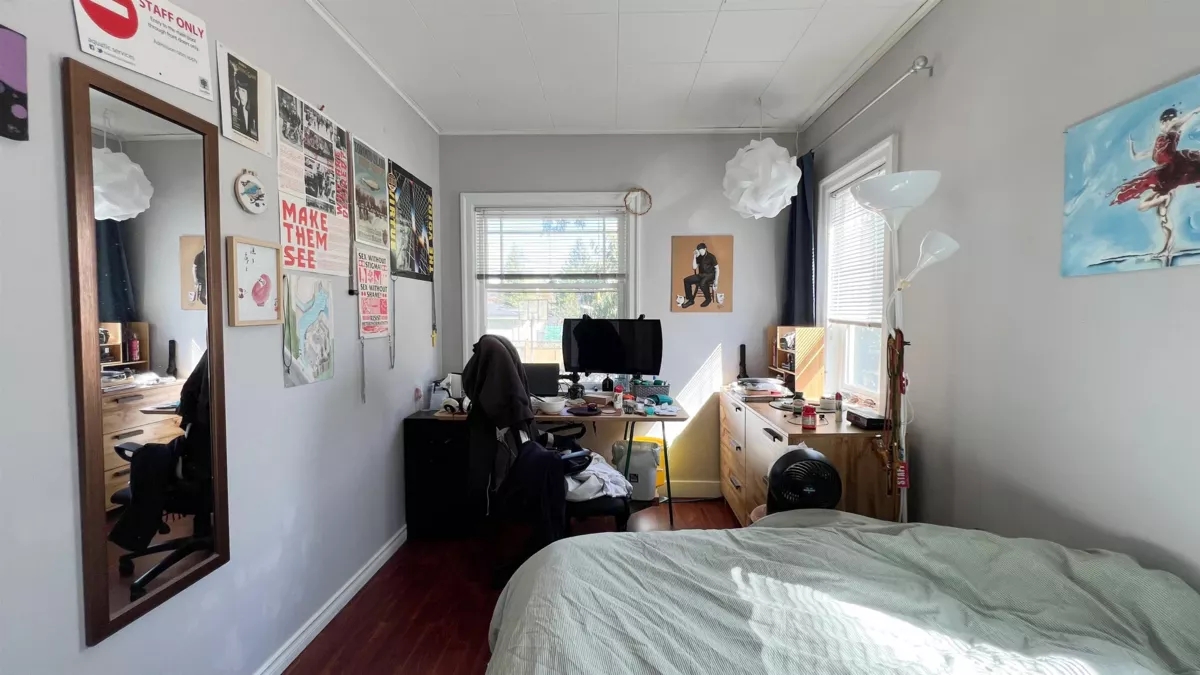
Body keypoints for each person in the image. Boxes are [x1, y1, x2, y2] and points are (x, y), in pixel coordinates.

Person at [1111, 106, 1200, 261]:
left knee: (1142, 205)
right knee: (1163, 216)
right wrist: (1131, 146)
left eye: (1167, 121)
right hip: (1167, 177)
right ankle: (1167, 249)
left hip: (1167, 174)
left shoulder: (1171, 132)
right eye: (1163, 122)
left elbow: (1181, 121)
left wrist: (1195, 110)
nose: (1165, 124)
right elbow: (1137, 157)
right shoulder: (1159, 143)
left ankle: (1165, 197)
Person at [681, 242, 720, 308]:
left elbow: (717, 269)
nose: (700, 252)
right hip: (701, 275)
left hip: (710, 275)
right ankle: (691, 300)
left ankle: (708, 299)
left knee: (702, 283)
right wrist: (694, 256)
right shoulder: (699, 257)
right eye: (698, 251)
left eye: (701, 250)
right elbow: (694, 267)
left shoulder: (711, 256)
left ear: (705, 249)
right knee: (686, 280)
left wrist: (716, 280)